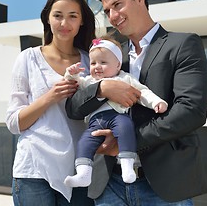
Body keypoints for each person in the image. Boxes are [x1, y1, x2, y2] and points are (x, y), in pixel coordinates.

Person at [65, 0, 207, 206]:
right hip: (110, 185)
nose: (113, 15)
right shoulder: (109, 55)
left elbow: (191, 111)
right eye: (107, 10)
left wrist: (125, 143)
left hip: (165, 185)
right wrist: (102, 88)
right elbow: (73, 107)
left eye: (117, 5)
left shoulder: (183, 44)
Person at [5, 0, 96, 206]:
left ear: (82, 21)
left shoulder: (91, 61)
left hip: (79, 170)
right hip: (34, 170)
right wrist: (50, 96)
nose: (64, 24)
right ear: (47, 18)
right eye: (58, 16)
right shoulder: (28, 58)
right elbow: (14, 123)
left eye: (72, 16)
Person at [63, 36, 167, 187]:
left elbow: (142, 92)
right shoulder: (90, 81)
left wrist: (156, 102)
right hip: (95, 123)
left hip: (118, 117)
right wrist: (72, 74)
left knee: (126, 129)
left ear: (118, 65)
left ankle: (127, 166)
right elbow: (76, 86)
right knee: (84, 142)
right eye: (93, 63)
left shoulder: (125, 78)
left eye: (103, 62)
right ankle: (83, 174)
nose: (97, 66)